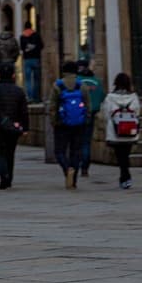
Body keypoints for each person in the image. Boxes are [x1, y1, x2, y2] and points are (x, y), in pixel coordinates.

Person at [0, 62, 29, 189]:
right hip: (12, 126)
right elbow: (24, 111)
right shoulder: (18, 91)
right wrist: (25, 127)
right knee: (10, 152)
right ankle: (9, 176)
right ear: (13, 75)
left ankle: (3, 173)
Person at [48, 59, 91, 188]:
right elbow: (88, 105)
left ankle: (67, 170)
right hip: (79, 124)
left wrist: (54, 121)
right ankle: (74, 180)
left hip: (62, 123)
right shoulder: (81, 85)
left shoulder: (58, 85)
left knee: (59, 151)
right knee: (76, 151)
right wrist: (86, 120)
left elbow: (52, 106)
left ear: (64, 71)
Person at [100, 71, 141, 189]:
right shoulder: (133, 97)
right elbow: (137, 113)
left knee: (120, 155)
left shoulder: (110, 97)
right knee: (126, 155)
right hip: (130, 131)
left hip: (115, 132)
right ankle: (125, 177)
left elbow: (106, 114)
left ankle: (125, 176)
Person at [76, 57, 103, 177]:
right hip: (91, 113)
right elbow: (102, 96)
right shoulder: (97, 81)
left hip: (77, 114)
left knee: (77, 141)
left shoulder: (77, 81)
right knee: (86, 142)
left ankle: (76, 164)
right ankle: (85, 168)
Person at [20, 24, 44, 104]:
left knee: (28, 80)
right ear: (31, 26)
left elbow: (22, 47)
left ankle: (29, 97)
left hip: (27, 59)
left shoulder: (22, 36)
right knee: (36, 79)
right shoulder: (36, 35)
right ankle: (36, 98)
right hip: (36, 59)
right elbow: (41, 45)